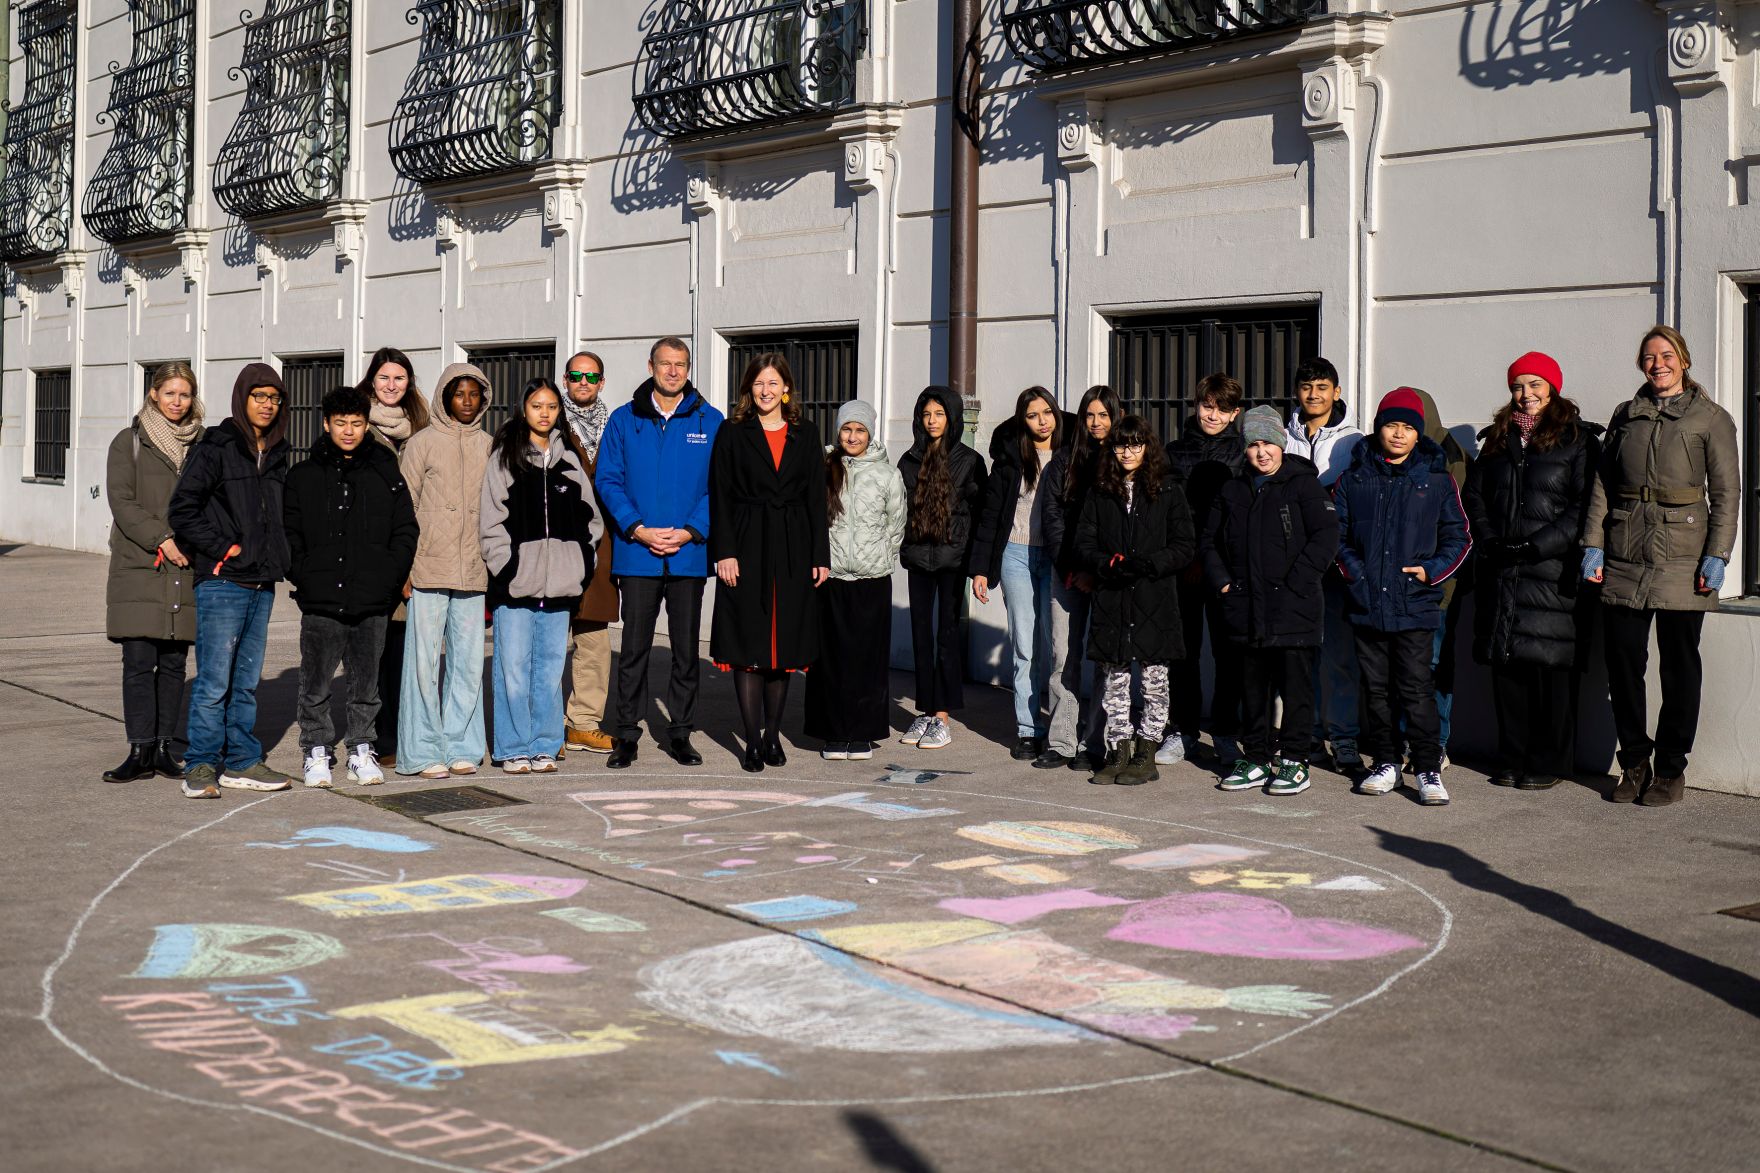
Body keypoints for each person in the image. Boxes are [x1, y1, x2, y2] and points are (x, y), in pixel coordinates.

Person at [1583, 325, 1739, 807]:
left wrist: (1717, 554)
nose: (1658, 364)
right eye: (1650, 357)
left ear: (1684, 360)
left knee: (1679, 665)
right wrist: (1593, 544)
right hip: (1626, 550)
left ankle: (1671, 769)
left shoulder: (1711, 418)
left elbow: (1727, 492)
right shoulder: (1625, 415)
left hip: (1683, 555)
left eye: (1667, 355)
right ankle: (1634, 764)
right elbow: (1603, 484)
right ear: (1641, 364)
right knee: (1623, 663)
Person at [1464, 352, 1599, 791]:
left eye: (1535, 384)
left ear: (1553, 387)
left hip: (1552, 573)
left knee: (1549, 670)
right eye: (1518, 386)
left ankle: (1549, 761)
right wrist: (1490, 540)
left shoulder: (1577, 439)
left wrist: (1536, 545)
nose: (1526, 394)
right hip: (1504, 571)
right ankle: (1513, 756)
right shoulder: (1498, 439)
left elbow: (1584, 507)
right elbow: (1475, 497)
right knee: (1509, 669)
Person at [1333, 388, 1471, 807]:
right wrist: (1356, 574)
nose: (1398, 434)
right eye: (1391, 425)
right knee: (1376, 690)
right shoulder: (1354, 479)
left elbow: (1460, 537)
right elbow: (1337, 537)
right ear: (1378, 429)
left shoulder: (1437, 480)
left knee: (1416, 688)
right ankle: (1386, 762)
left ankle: (1427, 767)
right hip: (1368, 603)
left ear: (1418, 433)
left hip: (1416, 604)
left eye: (1407, 427)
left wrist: (1432, 571)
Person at [167, 363, 297, 799]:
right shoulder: (217, 446)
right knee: (214, 680)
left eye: (275, 398)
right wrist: (225, 549)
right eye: (259, 396)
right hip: (223, 582)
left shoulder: (277, 452)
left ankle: (241, 761)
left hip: (262, 582)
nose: (267, 405)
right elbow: (183, 509)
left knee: (245, 682)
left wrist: (282, 557)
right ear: (243, 398)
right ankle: (201, 765)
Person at [595, 337, 724, 769]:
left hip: (688, 555)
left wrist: (691, 531)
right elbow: (608, 479)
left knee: (686, 651)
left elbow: (720, 485)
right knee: (633, 650)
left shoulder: (710, 420)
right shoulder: (623, 419)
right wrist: (638, 528)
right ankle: (627, 734)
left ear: (688, 368)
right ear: (650, 366)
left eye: (680, 364)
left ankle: (681, 733)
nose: (672, 371)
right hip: (638, 554)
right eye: (665, 363)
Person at [285, 385, 419, 788]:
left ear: (366, 425)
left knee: (366, 684)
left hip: (372, 599)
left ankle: (361, 748)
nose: (348, 431)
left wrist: (388, 577)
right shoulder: (303, 475)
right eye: (340, 423)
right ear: (326, 424)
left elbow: (405, 529)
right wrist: (305, 574)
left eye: (356, 423)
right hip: (320, 599)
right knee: (316, 683)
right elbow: (289, 533)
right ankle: (316, 750)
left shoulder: (385, 472)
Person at [1202, 407, 1339, 795]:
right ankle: (1257, 759)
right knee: (1252, 690)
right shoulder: (1232, 490)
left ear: (1281, 443)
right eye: (1253, 445)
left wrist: (1298, 582)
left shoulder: (1303, 485)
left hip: (1294, 609)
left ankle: (1295, 761)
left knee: (1296, 690)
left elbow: (1326, 536)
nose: (1261, 452)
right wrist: (1224, 584)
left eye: (1268, 443)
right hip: (1245, 608)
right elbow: (1208, 542)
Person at [709, 355, 832, 772]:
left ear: (786, 389)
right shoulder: (732, 431)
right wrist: (724, 551)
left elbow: (816, 497)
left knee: (783, 647)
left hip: (794, 545)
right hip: (746, 542)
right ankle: (751, 742)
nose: (766, 390)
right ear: (749, 388)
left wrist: (820, 555)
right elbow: (720, 493)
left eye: (773, 383)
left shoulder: (805, 432)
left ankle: (773, 736)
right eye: (759, 383)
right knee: (749, 645)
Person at [481, 377, 603, 774]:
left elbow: (592, 520)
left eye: (551, 406)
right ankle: (513, 747)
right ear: (524, 410)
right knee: (513, 670)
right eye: (537, 406)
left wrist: (581, 563)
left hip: (561, 586)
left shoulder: (569, 461)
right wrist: (508, 567)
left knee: (549, 671)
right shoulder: (505, 458)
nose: (545, 413)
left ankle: (545, 745)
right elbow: (491, 521)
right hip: (516, 585)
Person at [1075, 414, 1196, 787]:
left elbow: (1184, 545)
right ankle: (1118, 750)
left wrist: (1151, 564)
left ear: (1147, 447)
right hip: (1112, 597)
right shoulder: (1100, 491)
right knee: (1115, 680)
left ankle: (1146, 751)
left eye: (1135, 444)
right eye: (1120, 445)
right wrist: (1105, 563)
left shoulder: (1168, 489)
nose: (1127, 452)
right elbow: (1084, 541)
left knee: (1154, 679)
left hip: (1154, 597)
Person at [102, 362, 203, 784]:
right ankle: (139, 750)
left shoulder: (202, 443)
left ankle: (163, 749)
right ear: (154, 394)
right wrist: (162, 539)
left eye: (185, 394)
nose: (177, 402)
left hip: (186, 565)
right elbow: (122, 502)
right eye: (170, 393)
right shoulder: (129, 442)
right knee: (139, 661)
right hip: (141, 564)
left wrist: (195, 541)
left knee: (174, 662)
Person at [398, 362, 495, 779]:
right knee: (423, 664)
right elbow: (404, 508)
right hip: (427, 567)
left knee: (468, 664)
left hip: (474, 569)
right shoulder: (421, 443)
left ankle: (461, 746)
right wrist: (404, 567)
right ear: (444, 397)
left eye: (474, 394)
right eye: (459, 394)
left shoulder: (490, 445)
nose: (467, 401)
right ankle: (422, 750)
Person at [805, 399, 905, 761]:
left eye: (860, 430)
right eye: (846, 429)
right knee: (830, 659)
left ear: (870, 433)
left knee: (867, 659)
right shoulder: (823, 468)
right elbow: (812, 518)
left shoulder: (888, 475)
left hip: (871, 579)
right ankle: (834, 733)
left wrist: (879, 556)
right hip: (830, 577)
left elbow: (896, 524)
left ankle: (862, 733)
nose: (852, 436)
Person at [970, 386, 1064, 759]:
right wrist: (980, 568)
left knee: (1058, 646)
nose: (1042, 421)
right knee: (1025, 646)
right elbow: (990, 514)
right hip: (1016, 555)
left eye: (1047, 413)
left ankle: (1061, 730)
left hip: (1055, 558)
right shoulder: (1010, 458)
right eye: (1032, 415)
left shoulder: (1070, 454)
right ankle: (1028, 729)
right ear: (1021, 421)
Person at [1283, 357, 1365, 771]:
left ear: (1336, 392)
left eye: (1321, 387)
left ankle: (1345, 738)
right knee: (1301, 657)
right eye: (1306, 387)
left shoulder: (1355, 441)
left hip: (1336, 566)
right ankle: (1307, 734)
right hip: (1292, 566)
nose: (1313, 395)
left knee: (1339, 657)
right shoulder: (1283, 437)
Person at [1035, 384, 1121, 771]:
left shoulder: (1124, 460)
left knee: (1104, 660)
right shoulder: (1064, 462)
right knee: (1063, 656)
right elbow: (1053, 520)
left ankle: (1095, 742)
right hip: (1067, 573)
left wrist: (1096, 571)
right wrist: (1071, 569)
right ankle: (1062, 740)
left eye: (1103, 415)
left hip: (1107, 576)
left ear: (1115, 417)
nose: (1096, 422)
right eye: (1089, 415)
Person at [1163, 372, 1247, 766]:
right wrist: (1187, 556)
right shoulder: (1174, 451)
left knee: (1230, 654)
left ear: (1235, 413)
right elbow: (1168, 511)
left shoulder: (1245, 452)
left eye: (1222, 409)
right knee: (1183, 653)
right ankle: (1183, 730)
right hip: (1182, 567)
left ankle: (1226, 734)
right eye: (1207, 406)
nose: (1212, 415)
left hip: (1227, 568)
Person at [897, 386, 987, 751]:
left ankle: (943, 717)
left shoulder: (970, 460)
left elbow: (981, 515)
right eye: (926, 414)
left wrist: (979, 566)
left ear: (951, 418)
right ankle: (925, 710)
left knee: (947, 635)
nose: (932, 421)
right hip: (918, 556)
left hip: (953, 557)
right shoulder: (909, 460)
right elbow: (899, 510)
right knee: (921, 634)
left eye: (939, 414)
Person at [357, 346, 428, 769]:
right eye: (384, 377)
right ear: (372, 380)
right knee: (372, 653)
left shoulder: (422, 425)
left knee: (404, 654)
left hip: (414, 553)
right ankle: (374, 737)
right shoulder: (358, 425)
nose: (391, 385)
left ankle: (403, 734)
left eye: (399, 378)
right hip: (371, 556)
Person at [1403, 386, 1472, 772]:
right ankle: (1405, 740)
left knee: (1434, 663)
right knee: (1402, 666)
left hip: (1440, 583)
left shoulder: (1451, 457)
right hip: (1397, 584)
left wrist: (1437, 570)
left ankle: (1435, 743)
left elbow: (1458, 526)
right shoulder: (1385, 455)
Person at [560, 350, 619, 755]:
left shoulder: (615, 426)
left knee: (594, 640)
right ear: (565, 380)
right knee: (547, 641)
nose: (584, 382)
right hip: (555, 547)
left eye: (591, 376)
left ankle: (583, 722)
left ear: (602, 382)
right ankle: (545, 726)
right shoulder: (546, 420)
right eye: (577, 375)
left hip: (602, 548)